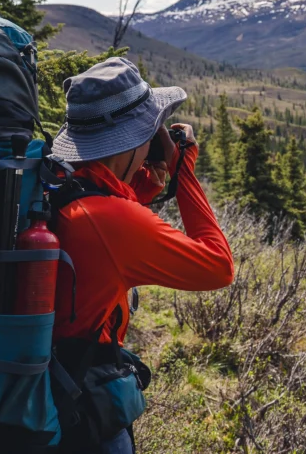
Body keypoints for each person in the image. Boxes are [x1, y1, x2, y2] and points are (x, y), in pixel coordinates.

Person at [49, 58, 235, 453]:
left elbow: (109, 211)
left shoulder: (57, 183)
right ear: (133, 137)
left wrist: (143, 178)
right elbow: (219, 266)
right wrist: (181, 169)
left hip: (45, 382)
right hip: (80, 407)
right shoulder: (111, 220)